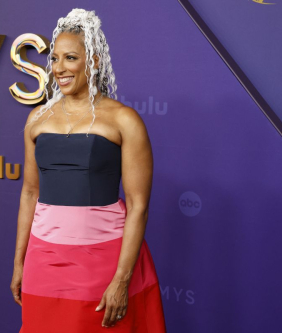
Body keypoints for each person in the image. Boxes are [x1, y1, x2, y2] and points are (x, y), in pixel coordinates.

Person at [11, 8, 166, 332]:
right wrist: (20, 262)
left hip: (102, 260)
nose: (59, 68)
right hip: (44, 260)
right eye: (54, 59)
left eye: (70, 58)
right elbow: (29, 192)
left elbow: (138, 207)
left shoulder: (124, 120)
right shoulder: (37, 119)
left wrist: (122, 279)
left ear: (93, 61)